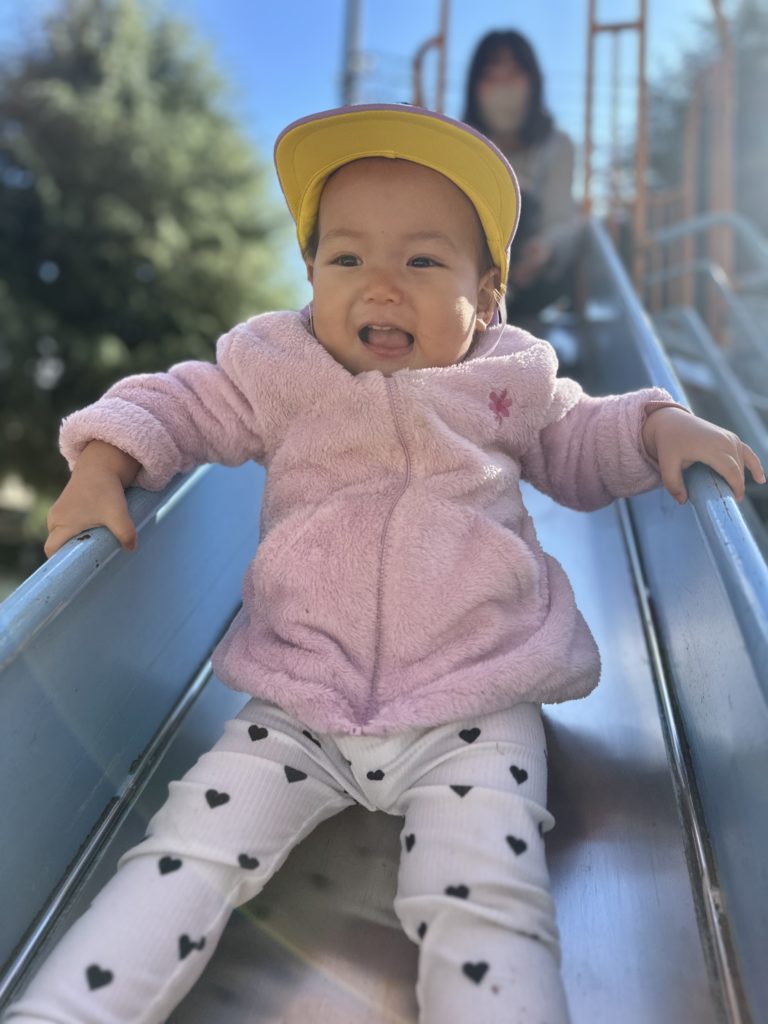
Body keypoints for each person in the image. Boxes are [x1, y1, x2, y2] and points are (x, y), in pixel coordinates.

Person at [4, 104, 765, 1024]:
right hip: (298, 698)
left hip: (476, 699)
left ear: (487, 296)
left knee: (486, 900)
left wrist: (657, 425)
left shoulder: (509, 381)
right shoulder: (280, 370)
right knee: (181, 855)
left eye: (423, 262)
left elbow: (581, 437)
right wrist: (102, 463)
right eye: (348, 259)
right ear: (312, 278)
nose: (381, 288)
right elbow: (177, 404)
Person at [463, 30, 583, 322]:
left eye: (514, 74)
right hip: (466, 281)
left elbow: (562, 217)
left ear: (533, 81)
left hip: (530, 281)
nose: (503, 87)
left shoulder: (557, 145)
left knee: (525, 205)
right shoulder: (459, 146)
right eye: (491, 76)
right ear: (475, 87)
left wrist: (546, 249)